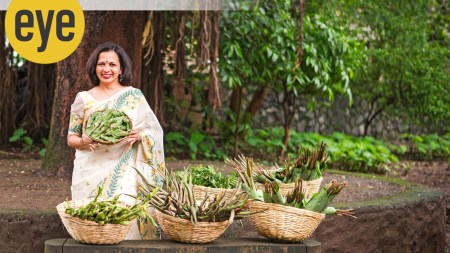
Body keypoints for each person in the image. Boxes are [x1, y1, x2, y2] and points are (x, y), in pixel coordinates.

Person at [67, 42, 164, 239]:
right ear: (94, 67)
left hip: (126, 167)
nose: (106, 69)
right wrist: (84, 141)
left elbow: (151, 130)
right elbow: (71, 138)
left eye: (112, 64)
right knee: (94, 225)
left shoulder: (134, 96)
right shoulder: (84, 98)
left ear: (121, 69)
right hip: (90, 169)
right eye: (101, 64)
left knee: (124, 221)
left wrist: (141, 136)